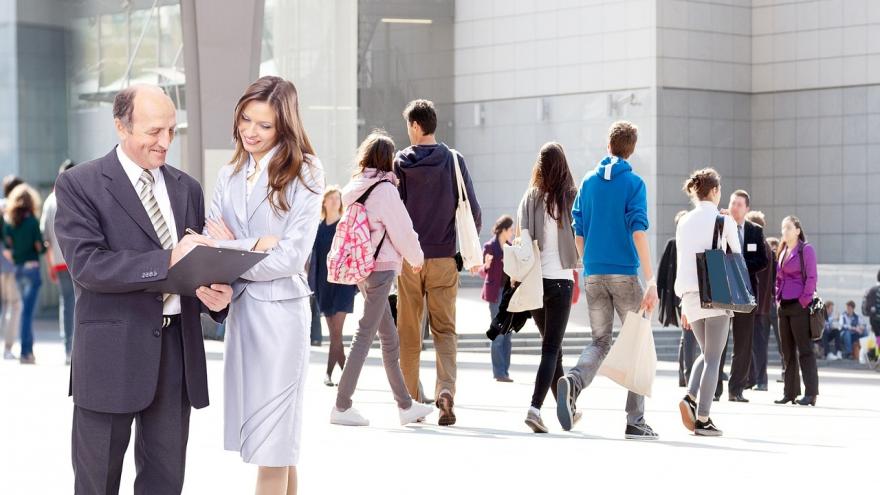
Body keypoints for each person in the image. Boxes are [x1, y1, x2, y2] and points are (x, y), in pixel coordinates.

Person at [54, 84, 232, 494]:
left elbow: (194, 266)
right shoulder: (79, 185)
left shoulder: (187, 188)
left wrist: (216, 298)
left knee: (165, 483)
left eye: (172, 130)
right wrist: (168, 257)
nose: (165, 142)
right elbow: (88, 266)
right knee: (97, 483)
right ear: (121, 126)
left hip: (176, 355)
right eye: (154, 132)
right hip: (110, 357)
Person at [204, 76, 323, 495]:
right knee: (274, 438)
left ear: (284, 126)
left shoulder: (305, 170)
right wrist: (255, 244)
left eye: (264, 125)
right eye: (245, 120)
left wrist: (230, 249)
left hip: (281, 318)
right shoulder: (230, 172)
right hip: (242, 315)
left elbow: (293, 256)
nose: (250, 131)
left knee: (272, 439)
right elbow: (209, 245)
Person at [556, 121, 660, 440]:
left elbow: (579, 228)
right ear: (632, 148)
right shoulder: (634, 184)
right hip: (625, 274)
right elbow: (638, 232)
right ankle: (635, 420)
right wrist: (651, 280)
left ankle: (573, 382)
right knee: (638, 342)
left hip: (595, 273)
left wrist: (587, 263)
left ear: (608, 145)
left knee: (600, 342)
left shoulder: (588, 182)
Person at [329, 131, 434, 427]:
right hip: (381, 267)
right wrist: (417, 258)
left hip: (363, 269)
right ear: (387, 160)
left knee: (389, 337)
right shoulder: (385, 190)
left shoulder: (356, 188)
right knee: (365, 334)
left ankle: (404, 405)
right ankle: (342, 404)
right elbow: (402, 228)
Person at [394, 99, 482, 426]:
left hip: (408, 260)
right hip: (445, 258)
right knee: (445, 330)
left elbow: (392, 212)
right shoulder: (454, 161)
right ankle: (445, 391)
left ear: (416, 126)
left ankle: (412, 402)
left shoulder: (400, 162)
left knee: (409, 332)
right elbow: (473, 211)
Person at [675, 168, 741, 436]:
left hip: (689, 295)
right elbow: (735, 254)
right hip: (715, 292)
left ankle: (691, 397)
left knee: (707, 353)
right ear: (714, 191)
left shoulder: (684, 221)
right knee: (714, 358)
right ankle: (703, 418)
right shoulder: (723, 220)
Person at [518, 143, 579, 433]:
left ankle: (568, 408)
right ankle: (534, 407)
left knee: (553, 350)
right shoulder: (570, 197)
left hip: (534, 282)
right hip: (561, 281)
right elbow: (581, 233)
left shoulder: (529, 198)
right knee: (551, 348)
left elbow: (523, 238)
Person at [719, 190, 768, 403]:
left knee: (743, 343)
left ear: (747, 208)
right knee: (719, 340)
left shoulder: (755, 231)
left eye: (739, 204)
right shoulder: (719, 225)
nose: (735, 207)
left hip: (746, 292)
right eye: (732, 203)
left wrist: (741, 267)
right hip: (723, 290)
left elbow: (763, 260)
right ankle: (714, 390)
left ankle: (736, 389)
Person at [309, 185, 358, 386]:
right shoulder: (318, 227)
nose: (335, 201)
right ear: (324, 202)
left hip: (343, 285)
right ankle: (340, 375)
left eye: (338, 198)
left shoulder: (345, 226)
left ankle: (336, 375)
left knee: (336, 331)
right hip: (324, 286)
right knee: (334, 334)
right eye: (331, 198)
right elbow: (315, 261)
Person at [774, 215, 819, 407]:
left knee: (805, 351)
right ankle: (790, 392)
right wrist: (777, 296)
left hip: (799, 305)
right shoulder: (782, 250)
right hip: (783, 305)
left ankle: (811, 393)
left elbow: (812, 277)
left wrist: (804, 300)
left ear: (798, 231)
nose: (785, 231)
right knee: (787, 351)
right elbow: (778, 277)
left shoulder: (806, 249)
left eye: (789, 228)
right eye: (783, 228)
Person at [2, 183, 45, 365]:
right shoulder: (33, 222)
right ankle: (26, 352)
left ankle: (28, 350)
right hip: (32, 269)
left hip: (18, 270)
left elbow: (8, 249)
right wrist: (42, 247)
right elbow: (39, 247)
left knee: (23, 311)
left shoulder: (10, 223)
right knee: (27, 313)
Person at [41, 159, 77, 364]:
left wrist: (50, 265)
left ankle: (68, 349)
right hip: (79, 260)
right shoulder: (78, 196)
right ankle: (79, 349)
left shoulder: (49, 201)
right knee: (81, 303)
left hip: (58, 261)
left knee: (66, 303)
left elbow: (45, 237)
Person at [658, 210, 693, 387]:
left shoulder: (692, 244)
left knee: (686, 334)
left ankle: (684, 375)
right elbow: (662, 272)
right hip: (676, 296)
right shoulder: (672, 244)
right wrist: (658, 295)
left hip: (689, 293)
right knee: (687, 332)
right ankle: (685, 375)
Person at [480, 214, 515, 382]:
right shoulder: (489, 247)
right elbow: (481, 271)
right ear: (504, 230)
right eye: (511, 230)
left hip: (508, 294)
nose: (513, 232)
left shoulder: (510, 247)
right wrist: (486, 265)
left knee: (508, 333)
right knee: (499, 333)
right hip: (495, 294)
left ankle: (505, 371)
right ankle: (499, 372)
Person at [745, 210, 774, 391]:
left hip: (758, 305)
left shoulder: (761, 247)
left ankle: (761, 379)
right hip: (761, 304)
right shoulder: (766, 247)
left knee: (758, 344)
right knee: (754, 343)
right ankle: (754, 378)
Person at [0, 175, 23, 360]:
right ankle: (7, 348)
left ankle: (5, 347)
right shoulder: (12, 207)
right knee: (14, 305)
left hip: (2, 265)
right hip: (11, 264)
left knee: (6, 305)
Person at [766, 236, 784, 383]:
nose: (772, 248)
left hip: (777, 307)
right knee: (761, 343)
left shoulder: (780, 264)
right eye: (769, 246)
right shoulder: (764, 263)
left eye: (774, 246)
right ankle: (760, 377)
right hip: (766, 307)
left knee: (782, 343)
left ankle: (785, 372)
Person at [861, 270, 880, 337]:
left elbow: (864, 310)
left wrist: (871, 313)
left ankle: (878, 346)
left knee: (878, 337)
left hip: (874, 321)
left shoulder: (870, 290)